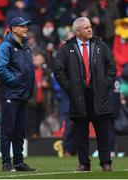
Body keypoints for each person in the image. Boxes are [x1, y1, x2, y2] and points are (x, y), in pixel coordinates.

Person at [52, 17, 116, 171]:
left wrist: (105, 84)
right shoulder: (67, 48)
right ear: (78, 31)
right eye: (86, 27)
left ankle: (105, 163)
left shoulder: (100, 45)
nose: (90, 29)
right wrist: (70, 88)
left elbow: (111, 67)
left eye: (90, 26)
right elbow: (58, 70)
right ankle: (83, 164)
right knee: (81, 134)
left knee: (103, 133)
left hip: (99, 96)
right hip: (78, 97)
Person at [0, 17, 35, 172]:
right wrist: (17, 82)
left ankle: (18, 162)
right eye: (22, 26)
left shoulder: (26, 47)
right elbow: (0, 69)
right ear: (13, 28)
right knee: (8, 129)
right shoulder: (5, 46)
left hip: (23, 94)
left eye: (26, 26)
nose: (26, 28)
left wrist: (26, 87)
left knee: (20, 130)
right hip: (11, 94)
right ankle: (6, 162)